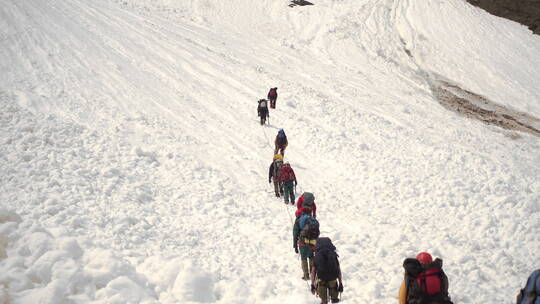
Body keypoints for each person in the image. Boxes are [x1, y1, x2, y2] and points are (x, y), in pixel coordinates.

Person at [310, 237, 343, 304]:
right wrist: (340, 283)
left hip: (321, 279)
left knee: (323, 300)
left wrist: (312, 284)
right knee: (335, 300)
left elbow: (313, 272)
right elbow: (338, 270)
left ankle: (324, 301)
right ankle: (334, 299)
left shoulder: (317, 255)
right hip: (333, 279)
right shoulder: (333, 255)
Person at [293, 209, 319, 280]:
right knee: (311, 256)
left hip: (303, 242)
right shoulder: (312, 220)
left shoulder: (298, 221)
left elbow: (295, 235)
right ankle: (312, 272)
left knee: (303, 258)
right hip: (313, 241)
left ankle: (306, 275)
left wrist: (295, 246)